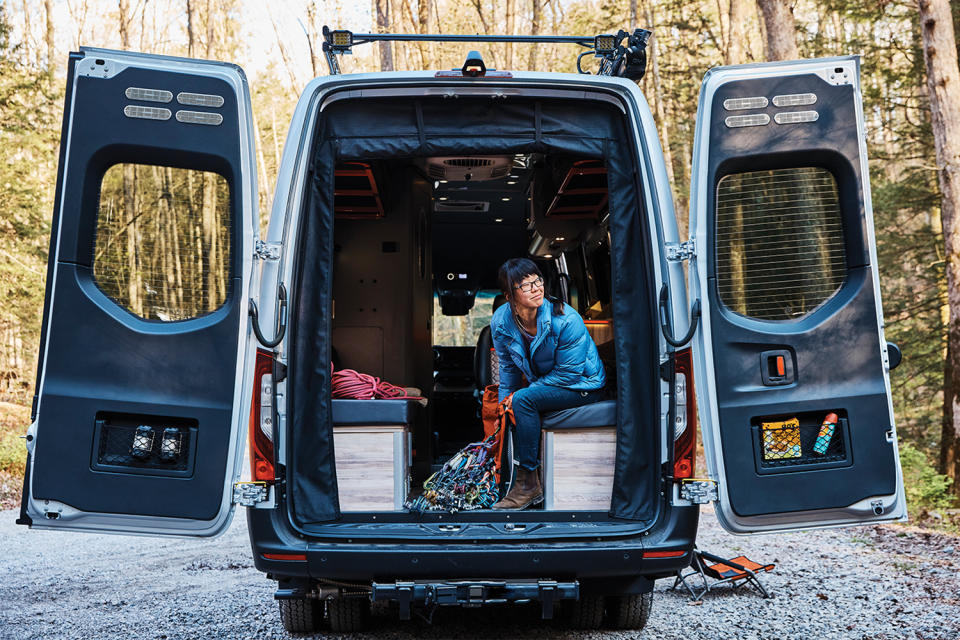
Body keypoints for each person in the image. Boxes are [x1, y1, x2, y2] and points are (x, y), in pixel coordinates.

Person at [490, 258, 606, 510]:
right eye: (526, 285)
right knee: (514, 406)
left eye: (537, 280)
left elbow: (570, 373)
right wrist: (502, 407)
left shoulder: (565, 318)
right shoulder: (501, 322)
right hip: (550, 384)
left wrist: (525, 393)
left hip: (584, 385)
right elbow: (508, 369)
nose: (536, 288)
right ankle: (512, 482)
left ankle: (529, 485)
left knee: (524, 400)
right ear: (509, 295)